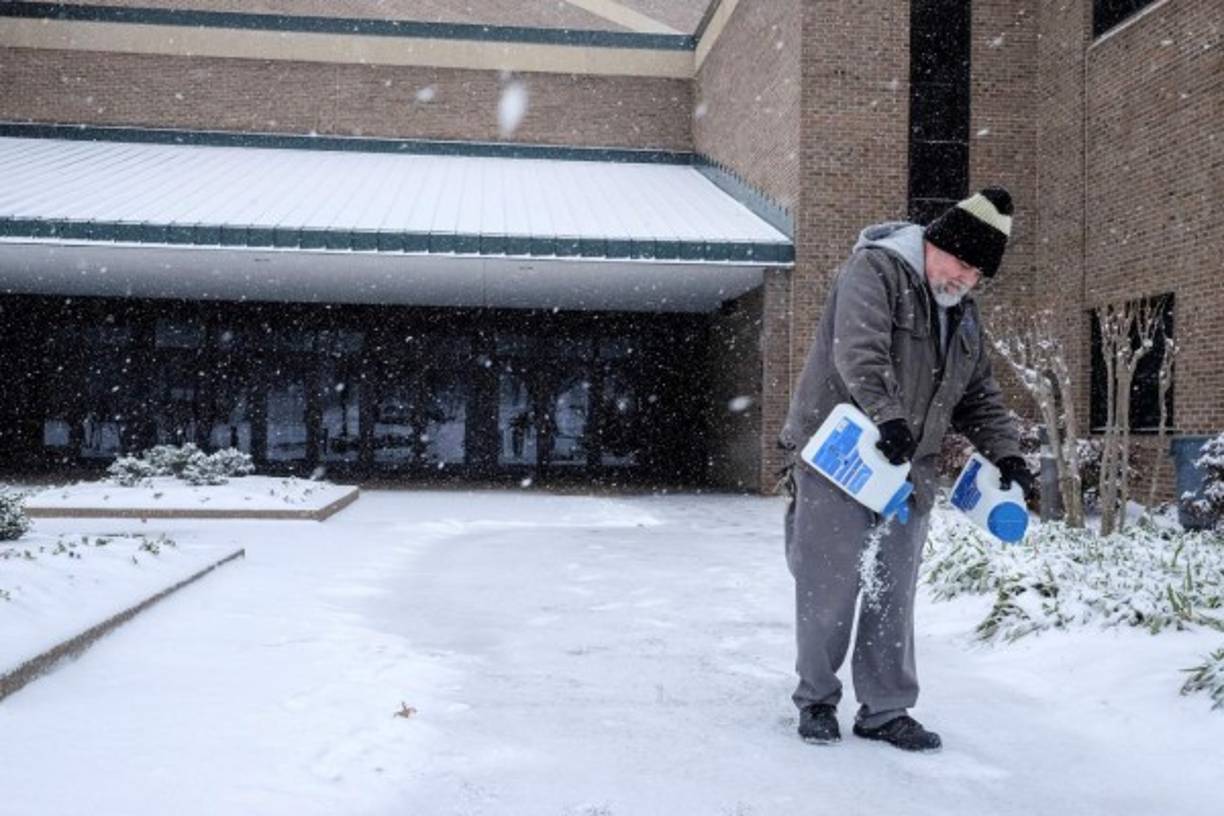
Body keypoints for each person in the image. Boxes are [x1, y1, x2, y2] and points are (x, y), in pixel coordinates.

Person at [779, 187, 1037, 752]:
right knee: (830, 583)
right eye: (962, 264)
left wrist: (1008, 454)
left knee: (893, 591)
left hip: (907, 468)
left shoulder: (962, 317)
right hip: (842, 456)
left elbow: (980, 397)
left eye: (977, 274)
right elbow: (859, 351)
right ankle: (817, 700)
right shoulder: (875, 271)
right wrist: (888, 417)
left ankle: (886, 709)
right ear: (935, 244)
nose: (966, 280)